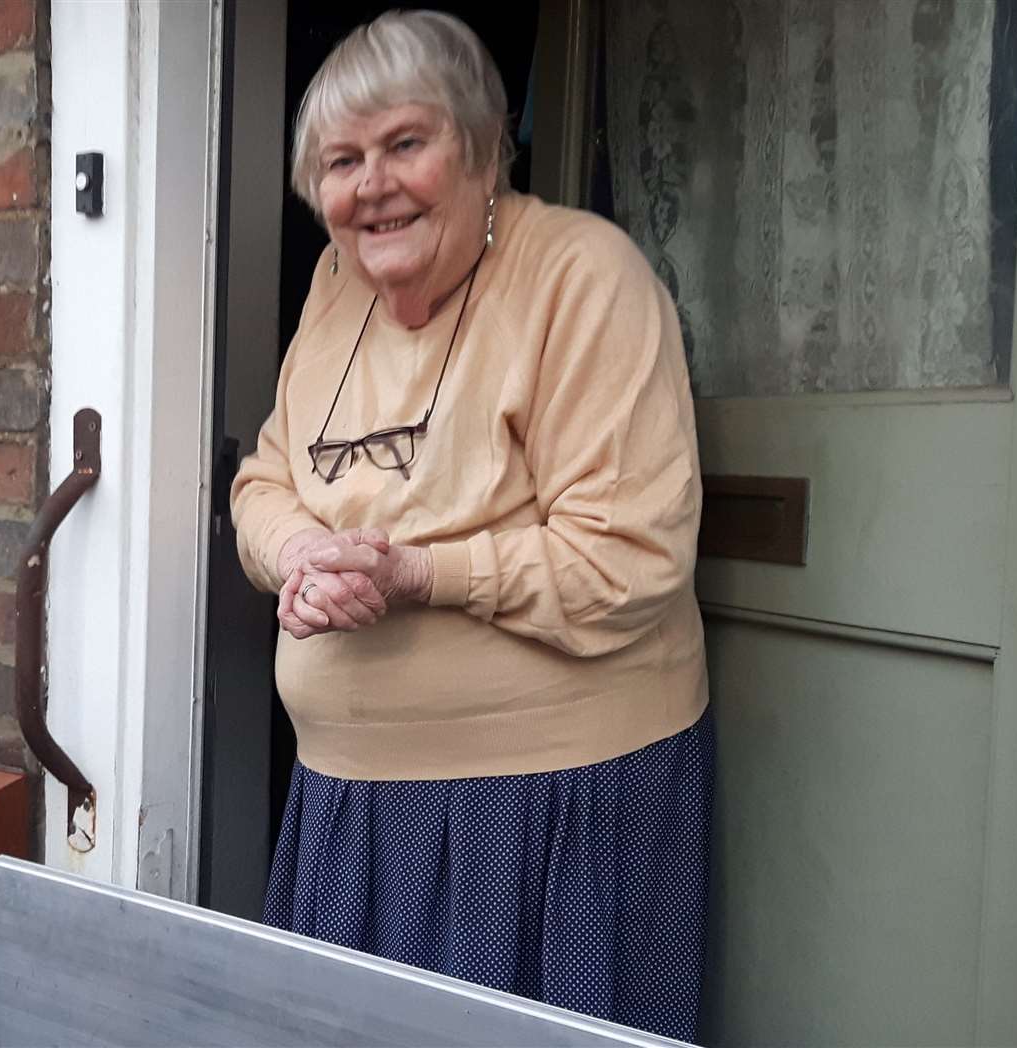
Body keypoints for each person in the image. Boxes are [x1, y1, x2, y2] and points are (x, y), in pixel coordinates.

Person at [228, 10, 711, 1041]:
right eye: (342, 161)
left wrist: (415, 575)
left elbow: (628, 556)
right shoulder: (334, 287)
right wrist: (300, 554)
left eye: (406, 143)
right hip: (347, 809)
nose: (373, 184)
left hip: (545, 813)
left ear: (485, 148)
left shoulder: (583, 277)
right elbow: (266, 479)